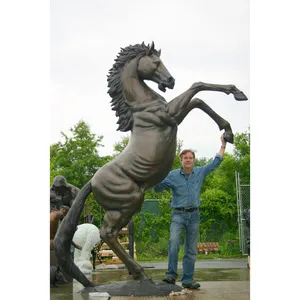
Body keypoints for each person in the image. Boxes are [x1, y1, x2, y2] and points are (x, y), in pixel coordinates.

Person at [154, 133, 227, 289]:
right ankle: (171, 275)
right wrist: (154, 172)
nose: (188, 160)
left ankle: (187, 280)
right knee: (173, 242)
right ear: (181, 160)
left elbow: (216, 162)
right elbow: (158, 187)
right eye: (185, 157)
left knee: (191, 249)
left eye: (190, 158)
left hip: (194, 215)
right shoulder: (173, 175)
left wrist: (223, 145)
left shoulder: (200, 172)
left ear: (193, 160)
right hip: (178, 215)